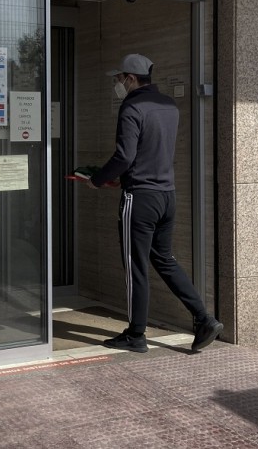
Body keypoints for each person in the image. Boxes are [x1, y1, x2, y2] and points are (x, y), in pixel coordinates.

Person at [86, 53, 222, 353]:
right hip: (166, 196)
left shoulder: (132, 106)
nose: (117, 84)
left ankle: (136, 335)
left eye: (119, 78)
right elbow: (150, 151)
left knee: (136, 267)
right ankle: (204, 318)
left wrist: (97, 179)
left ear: (131, 79)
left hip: (140, 198)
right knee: (165, 260)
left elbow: (125, 156)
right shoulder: (168, 105)